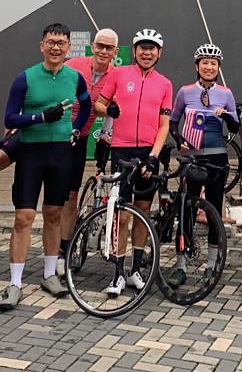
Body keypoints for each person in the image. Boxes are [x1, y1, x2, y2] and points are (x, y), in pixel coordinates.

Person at [0, 23, 91, 311]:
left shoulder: (75, 77)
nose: (56, 47)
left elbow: (86, 106)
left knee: (53, 214)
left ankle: (49, 275)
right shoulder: (25, 78)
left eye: (61, 43)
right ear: (42, 45)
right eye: (51, 42)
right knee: (24, 216)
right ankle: (15, 282)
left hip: (60, 152)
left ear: (68, 47)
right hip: (31, 152)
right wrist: (40, 118)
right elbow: (10, 118)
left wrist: (76, 129)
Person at [93, 29, 173, 295]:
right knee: (122, 213)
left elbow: (164, 125)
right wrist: (109, 109)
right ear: (135, 50)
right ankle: (117, 273)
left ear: (159, 53)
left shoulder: (164, 84)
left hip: (148, 152)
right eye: (142, 47)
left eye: (152, 48)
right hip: (122, 151)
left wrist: (153, 156)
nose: (147, 53)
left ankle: (136, 270)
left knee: (143, 211)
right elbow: (99, 105)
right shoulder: (119, 74)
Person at [166, 43, 239, 287]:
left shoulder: (226, 94)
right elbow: (173, 122)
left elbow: (235, 126)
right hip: (193, 157)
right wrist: (179, 141)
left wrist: (225, 114)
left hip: (217, 157)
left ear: (218, 67)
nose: (209, 67)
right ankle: (181, 265)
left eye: (213, 63)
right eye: (204, 62)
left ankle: (211, 264)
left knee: (213, 210)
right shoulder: (185, 92)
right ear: (197, 66)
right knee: (186, 209)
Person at [51, 28, 120, 276]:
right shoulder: (74, 64)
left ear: (115, 52)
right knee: (53, 196)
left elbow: (113, 109)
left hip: (78, 138)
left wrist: (105, 138)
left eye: (109, 48)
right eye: (100, 46)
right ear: (92, 46)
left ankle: (63, 250)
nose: (103, 51)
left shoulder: (116, 75)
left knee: (71, 195)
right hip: (54, 133)